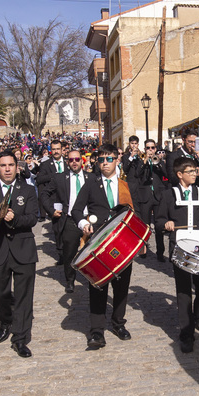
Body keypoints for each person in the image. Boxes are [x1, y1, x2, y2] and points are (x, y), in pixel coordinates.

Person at [71, 144, 135, 350]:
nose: (105, 163)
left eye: (109, 159)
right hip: (98, 242)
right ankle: (97, 331)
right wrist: (84, 224)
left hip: (122, 241)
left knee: (121, 286)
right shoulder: (91, 184)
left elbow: (138, 209)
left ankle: (118, 323)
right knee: (97, 285)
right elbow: (76, 210)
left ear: (117, 160)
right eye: (101, 159)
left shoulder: (126, 185)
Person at [157, 157, 199, 352]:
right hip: (180, 248)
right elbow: (159, 220)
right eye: (191, 171)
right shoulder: (168, 195)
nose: (195, 174)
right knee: (183, 290)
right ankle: (186, 333)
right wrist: (166, 224)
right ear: (179, 175)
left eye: (195, 171)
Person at [0, 151, 38, 358]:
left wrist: (14, 218)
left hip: (23, 249)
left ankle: (20, 338)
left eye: (11, 165)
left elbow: (32, 218)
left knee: (24, 297)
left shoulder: (28, 190)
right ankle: (5, 320)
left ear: (16, 167)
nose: (7, 169)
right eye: (3, 165)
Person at [55, 149, 89, 293]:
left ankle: (92, 277)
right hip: (70, 220)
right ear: (67, 162)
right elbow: (45, 193)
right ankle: (70, 280)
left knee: (90, 251)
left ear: (82, 161)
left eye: (77, 159)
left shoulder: (91, 177)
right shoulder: (60, 178)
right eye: (71, 160)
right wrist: (53, 209)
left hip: (88, 219)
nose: (74, 162)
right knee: (69, 252)